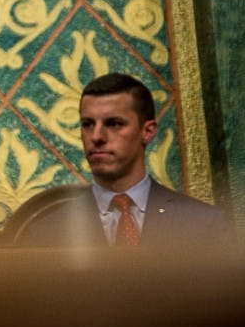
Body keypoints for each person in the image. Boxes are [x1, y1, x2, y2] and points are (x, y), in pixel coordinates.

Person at [14, 73, 235, 249]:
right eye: (88, 124)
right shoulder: (47, 232)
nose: (97, 136)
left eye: (114, 124)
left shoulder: (203, 225)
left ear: (147, 131)